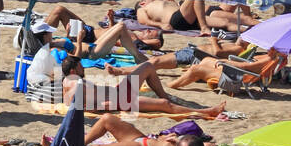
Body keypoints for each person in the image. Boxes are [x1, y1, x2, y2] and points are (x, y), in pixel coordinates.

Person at [61, 55, 226, 118]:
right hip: (120, 99)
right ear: (75, 69)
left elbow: (70, 102)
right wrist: (107, 107)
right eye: (81, 66)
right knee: (164, 106)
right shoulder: (78, 83)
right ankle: (205, 112)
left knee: (148, 66)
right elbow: (81, 107)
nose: (85, 68)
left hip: (118, 93)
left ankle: (165, 95)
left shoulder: (67, 81)